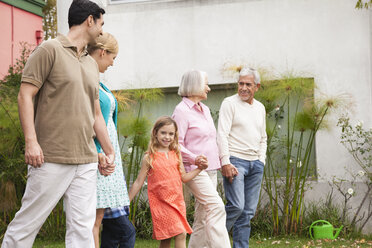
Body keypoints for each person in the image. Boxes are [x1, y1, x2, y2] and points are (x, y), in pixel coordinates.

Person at [1, 1, 114, 247]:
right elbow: (25, 95)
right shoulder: (49, 50)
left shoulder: (90, 64)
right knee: (27, 224)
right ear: (90, 20)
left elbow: (94, 112)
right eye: (101, 24)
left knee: (83, 230)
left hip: (85, 159)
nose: (102, 31)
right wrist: (31, 142)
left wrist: (107, 151)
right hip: (50, 156)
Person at [172, 70, 231, 248]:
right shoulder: (181, 111)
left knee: (203, 216)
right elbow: (176, 143)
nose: (209, 88)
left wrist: (222, 162)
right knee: (216, 207)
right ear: (195, 85)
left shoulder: (204, 109)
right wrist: (194, 158)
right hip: (194, 170)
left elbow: (210, 140)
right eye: (206, 83)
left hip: (211, 169)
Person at [129, 116, 207, 248]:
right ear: (155, 133)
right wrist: (127, 201)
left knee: (166, 239)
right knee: (180, 233)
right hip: (161, 203)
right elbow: (138, 182)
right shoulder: (149, 157)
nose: (167, 137)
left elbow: (184, 177)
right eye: (163, 133)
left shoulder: (176, 154)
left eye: (171, 134)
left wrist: (199, 169)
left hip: (177, 201)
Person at [87, 32, 135, 248]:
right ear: (102, 52)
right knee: (93, 220)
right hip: (98, 155)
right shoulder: (88, 79)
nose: (113, 63)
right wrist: (98, 151)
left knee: (98, 219)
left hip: (107, 154)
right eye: (113, 58)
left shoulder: (98, 80)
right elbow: (89, 121)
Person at [217, 67, 267, 248]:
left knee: (247, 213)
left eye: (248, 84)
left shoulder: (260, 108)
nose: (243, 88)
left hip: (256, 164)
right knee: (237, 206)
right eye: (241, 83)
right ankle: (212, 240)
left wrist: (261, 160)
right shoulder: (229, 103)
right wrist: (225, 161)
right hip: (235, 161)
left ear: (257, 87)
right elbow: (221, 134)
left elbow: (263, 137)